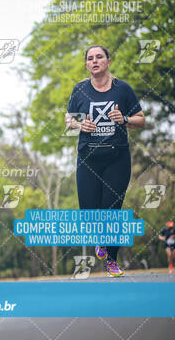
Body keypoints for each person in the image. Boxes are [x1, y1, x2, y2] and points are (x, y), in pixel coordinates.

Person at [65, 45, 145, 277]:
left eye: (99, 57)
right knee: (89, 211)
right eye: (90, 58)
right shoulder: (79, 90)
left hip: (116, 158)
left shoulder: (123, 89)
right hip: (88, 158)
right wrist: (81, 125)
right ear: (87, 64)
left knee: (112, 209)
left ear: (108, 61)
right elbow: (68, 119)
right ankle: (98, 239)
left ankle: (112, 260)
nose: (95, 61)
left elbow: (141, 120)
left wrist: (125, 118)